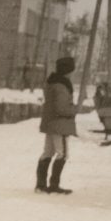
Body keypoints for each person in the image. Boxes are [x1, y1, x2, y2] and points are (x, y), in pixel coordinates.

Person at [36, 56, 78, 195]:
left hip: (50, 123)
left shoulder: (52, 82)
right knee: (63, 154)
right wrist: (74, 110)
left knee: (47, 152)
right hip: (60, 125)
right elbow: (61, 108)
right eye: (72, 70)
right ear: (67, 71)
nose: (73, 72)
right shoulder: (62, 86)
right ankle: (54, 186)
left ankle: (40, 185)